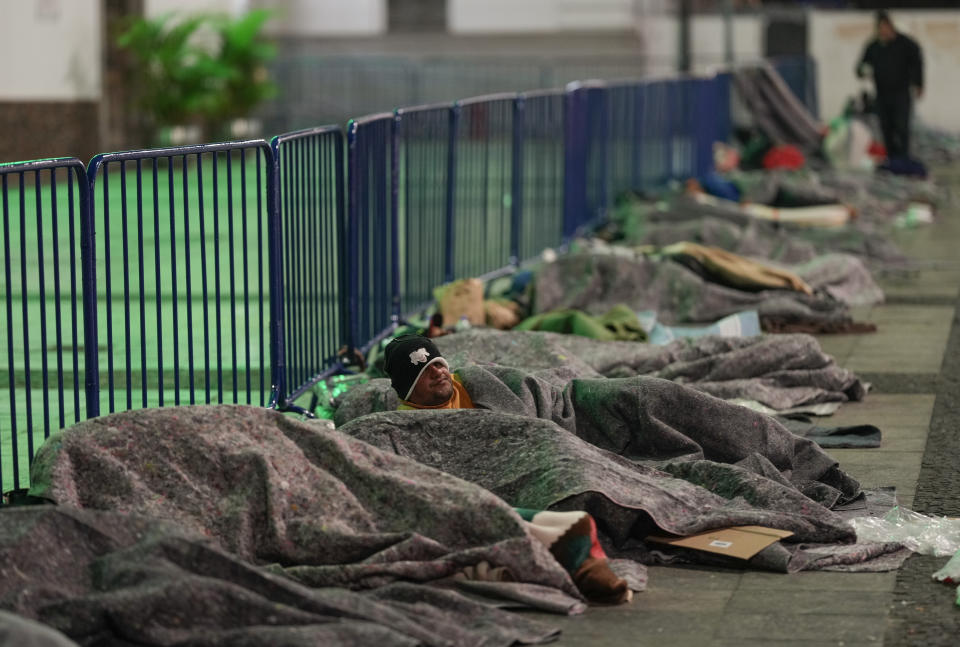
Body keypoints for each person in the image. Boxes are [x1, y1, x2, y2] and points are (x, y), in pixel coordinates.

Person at [856, 10, 923, 160]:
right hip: (882, 94)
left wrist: (919, 84)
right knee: (886, 128)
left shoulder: (905, 44)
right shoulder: (874, 46)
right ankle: (892, 159)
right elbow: (860, 66)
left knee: (902, 127)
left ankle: (904, 158)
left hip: (901, 93)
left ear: (890, 26)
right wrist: (863, 71)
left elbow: (917, 62)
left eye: (885, 27)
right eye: (880, 28)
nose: (883, 31)